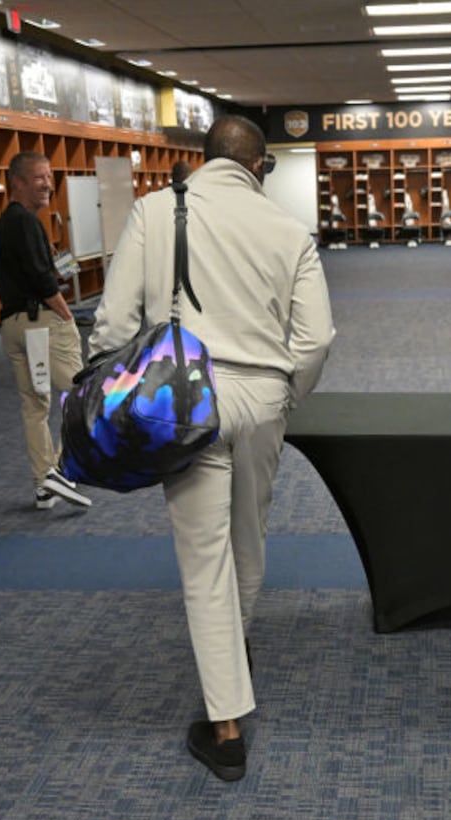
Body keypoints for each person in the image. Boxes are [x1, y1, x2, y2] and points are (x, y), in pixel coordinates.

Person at [93, 116, 333, 781]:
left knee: (205, 558)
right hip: (259, 401)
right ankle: (234, 651)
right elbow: (315, 340)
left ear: (202, 161)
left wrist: (117, 390)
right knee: (249, 542)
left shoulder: (152, 211)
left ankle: (226, 727)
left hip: (183, 400)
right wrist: (287, 397)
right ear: (259, 166)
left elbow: (114, 321)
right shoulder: (288, 231)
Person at [0, 151, 91, 511]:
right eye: (39, 178)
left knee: (34, 407)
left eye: (49, 177)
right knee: (84, 395)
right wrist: (66, 316)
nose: (48, 184)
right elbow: (41, 279)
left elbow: (36, 269)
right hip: (41, 324)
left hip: (14, 326)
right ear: (16, 182)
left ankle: (44, 482)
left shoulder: (10, 222)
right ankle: (63, 473)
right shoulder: (25, 223)